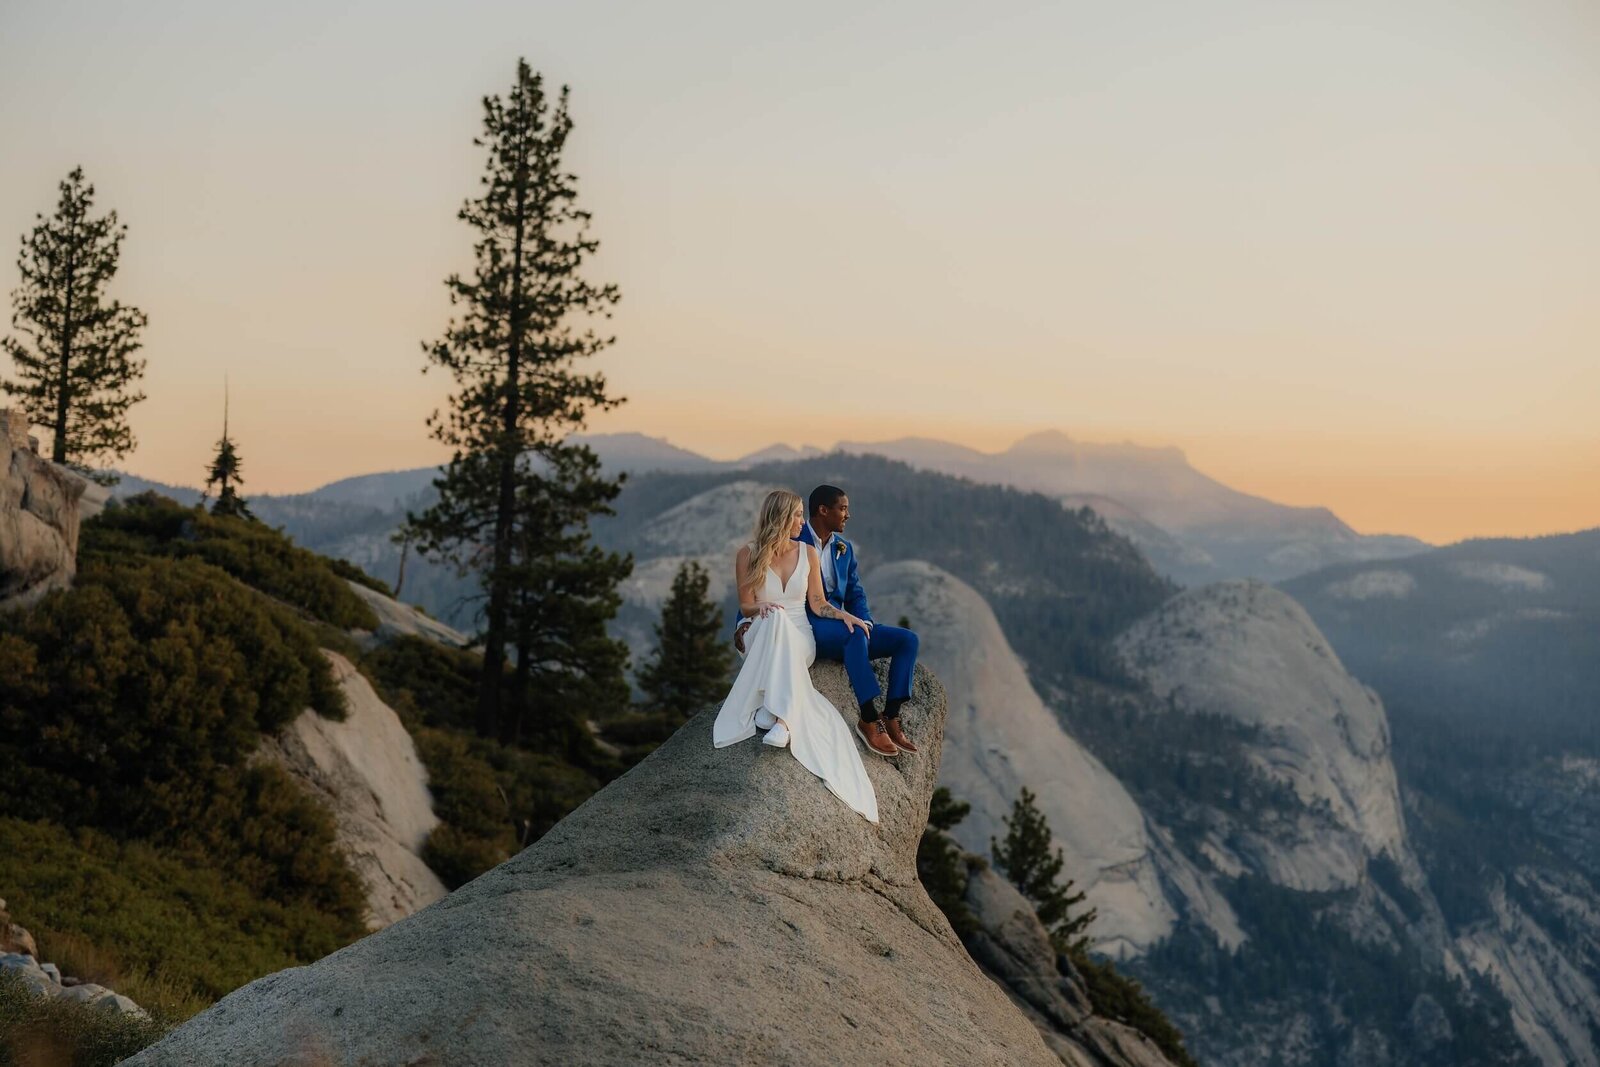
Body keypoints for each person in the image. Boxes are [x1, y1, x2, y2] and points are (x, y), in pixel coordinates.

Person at [712, 489, 879, 823]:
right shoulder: (748, 554)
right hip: (761, 629)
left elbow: (817, 603)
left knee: (784, 626)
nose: (803, 522)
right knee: (775, 619)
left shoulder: (808, 554)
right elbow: (746, 605)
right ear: (781, 518)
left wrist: (845, 616)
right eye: (798, 516)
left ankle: (769, 707)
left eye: (803, 515)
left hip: (800, 636)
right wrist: (763, 607)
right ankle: (785, 721)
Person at [735, 484, 920, 759]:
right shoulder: (793, 543)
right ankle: (868, 717)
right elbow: (763, 590)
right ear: (823, 510)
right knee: (852, 636)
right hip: (807, 624)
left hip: (838, 620)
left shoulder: (843, 549)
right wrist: (743, 625)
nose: (848, 515)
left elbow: (855, 593)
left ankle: (891, 714)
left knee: (907, 640)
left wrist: (865, 622)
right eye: (843, 508)